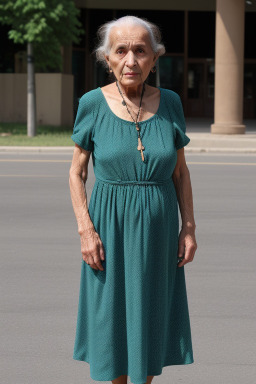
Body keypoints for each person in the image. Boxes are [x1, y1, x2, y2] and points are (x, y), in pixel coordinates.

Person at [69, 15, 197, 384]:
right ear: (106, 58)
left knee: (149, 319)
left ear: (155, 59)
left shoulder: (170, 102)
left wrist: (188, 227)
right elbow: (76, 173)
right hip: (108, 231)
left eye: (140, 51)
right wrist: (85, 230)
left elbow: (180, 173)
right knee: (112, 322)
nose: (131, 60)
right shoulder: (92, 103)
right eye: (121, 50)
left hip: (157, 233)